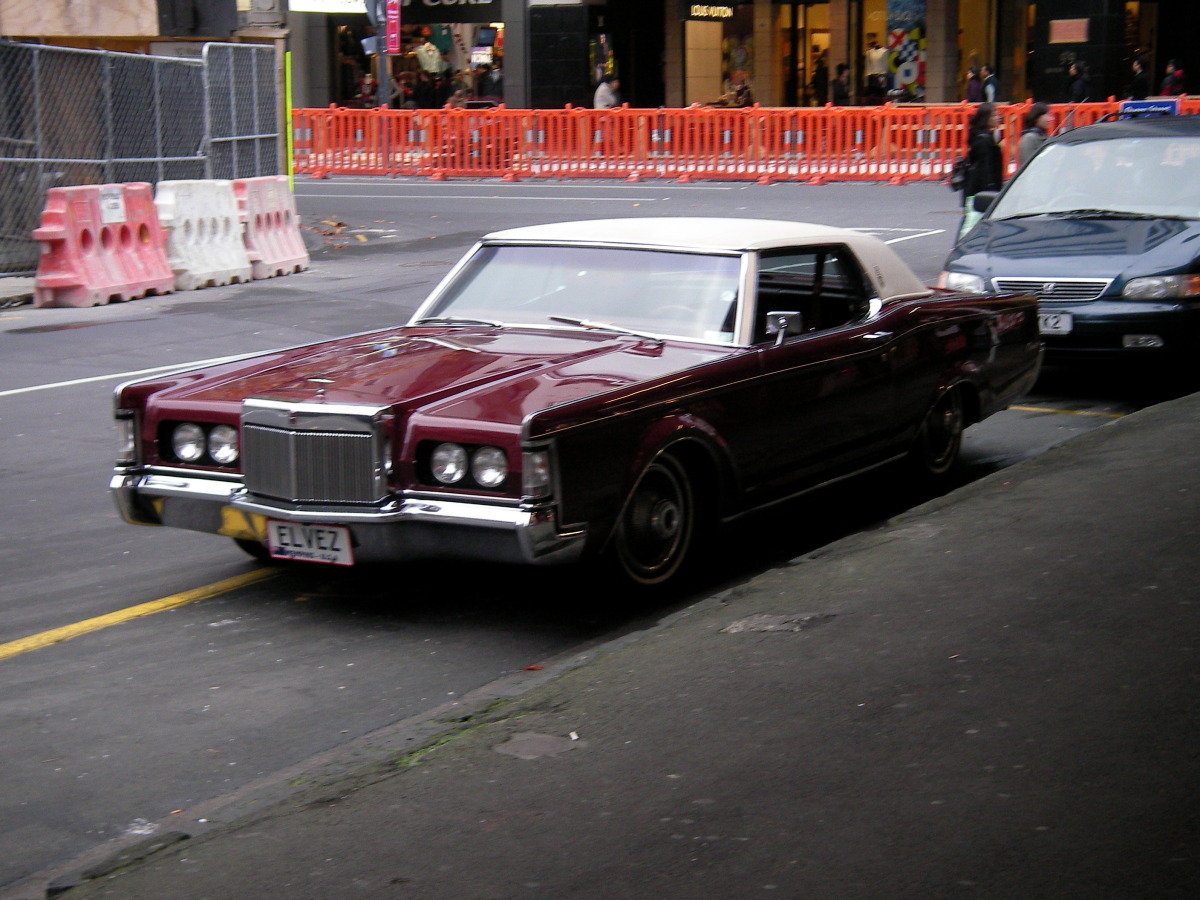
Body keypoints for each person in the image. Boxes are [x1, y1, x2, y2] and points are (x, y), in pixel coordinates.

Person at [958, 102, 1004, 238]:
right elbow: (986, 169)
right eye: (995, 114)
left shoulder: (982, 137)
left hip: (975, 190)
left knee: (973, 223)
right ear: (986, 118)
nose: (998, 117)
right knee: (973, 225)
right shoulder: (984, 140)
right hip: (981, 192)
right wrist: (990, 190)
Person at [1017, 102, 1052, 167]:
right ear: (1037, 117)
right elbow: (1028, 165)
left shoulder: (1043, 136)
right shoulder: (1028, 138)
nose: (1050, 119)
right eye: (1047, 115)